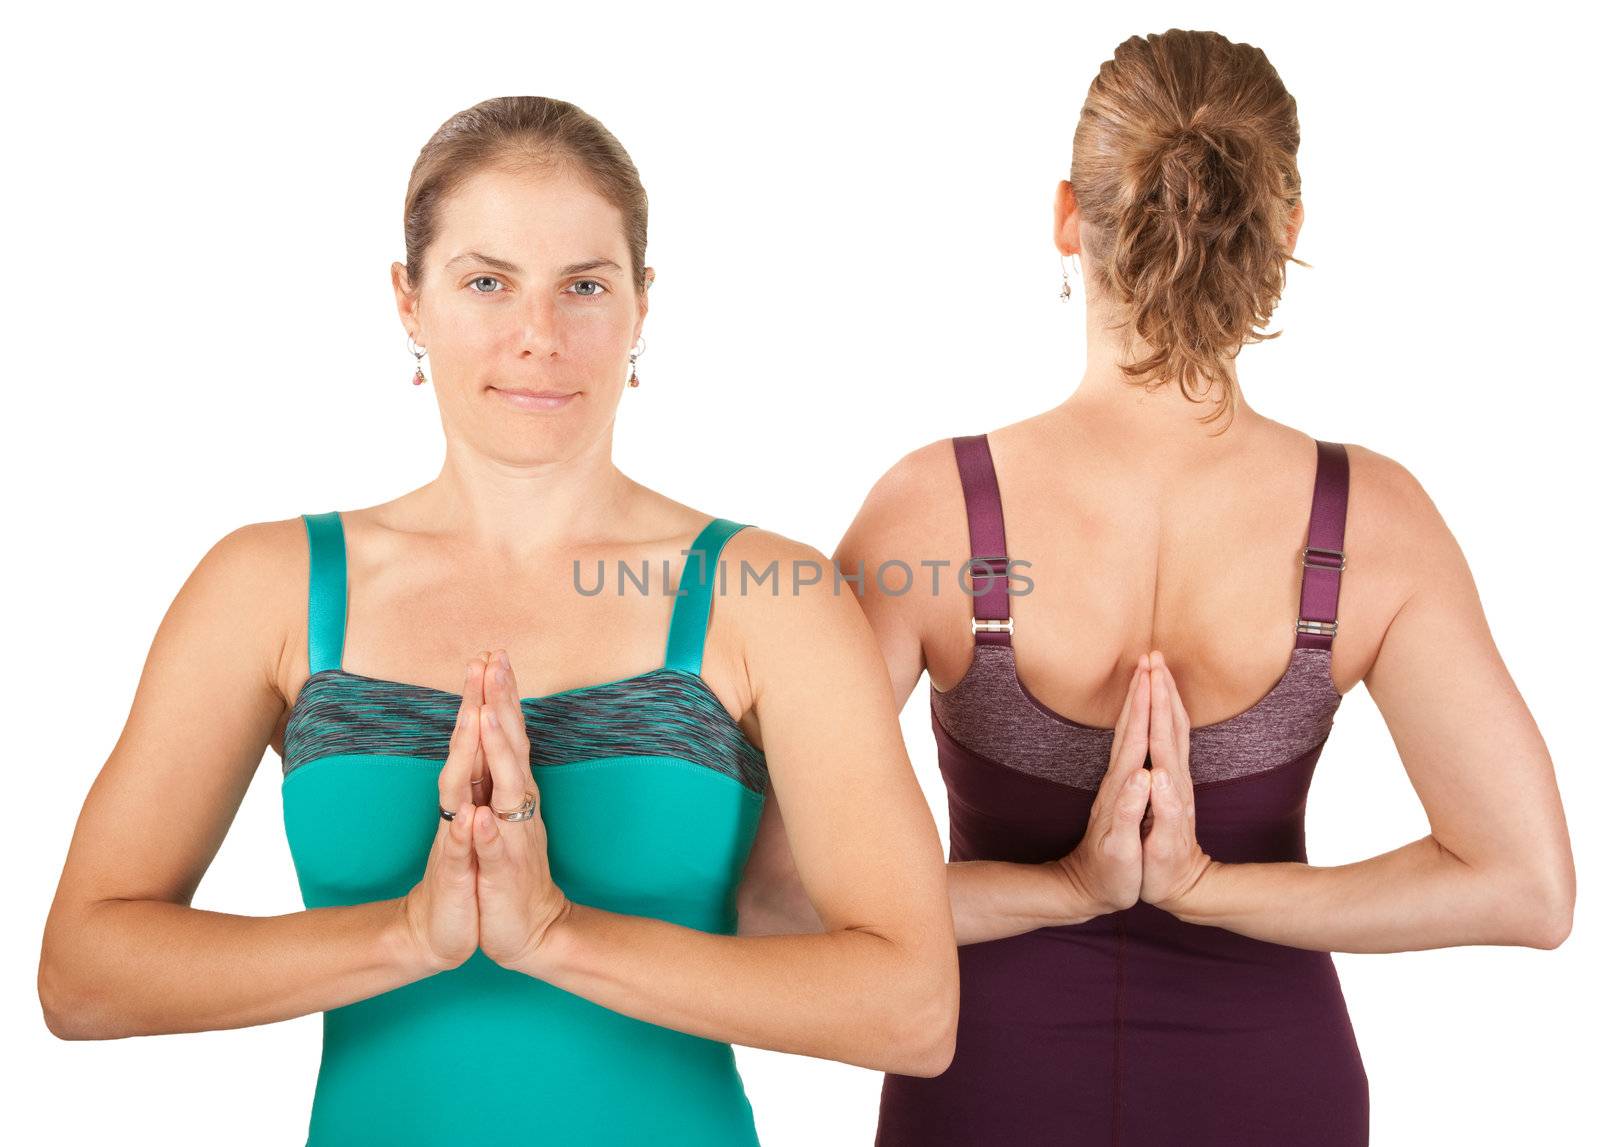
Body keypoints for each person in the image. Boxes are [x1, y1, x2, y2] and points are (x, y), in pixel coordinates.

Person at [37, 95, 959, 1146]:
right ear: (408, 301)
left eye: (584, 286)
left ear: (642, 306)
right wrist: (408, 935)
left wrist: (557, 936)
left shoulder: (765, 594)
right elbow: (83, 975)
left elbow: (912, 1007)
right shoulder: (272, 587)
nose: (539, 336)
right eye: (487, 282)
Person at [735, 29, 1576, 1147]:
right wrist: (1201, 884)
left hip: (986, 1083)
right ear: (1283, 230)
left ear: (1066, 219)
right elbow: (1525, 884)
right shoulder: (1371, 521)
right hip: (1274, 1088)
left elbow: (776, 896)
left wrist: (1073, 887)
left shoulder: (933, 512)